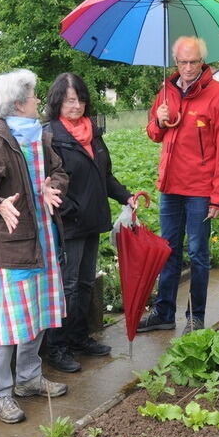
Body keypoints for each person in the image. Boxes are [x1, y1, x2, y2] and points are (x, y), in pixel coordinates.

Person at [0, 69, 69, 424]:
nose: (38, 101)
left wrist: (50, 185)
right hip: (10, 249)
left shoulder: (40, 136)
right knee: (9, 324)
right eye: (33, 96)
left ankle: (28, 379)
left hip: (41, 240)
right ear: (17, 104)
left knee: (38, 315)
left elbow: (59, 171)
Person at [137, 36, 219, 336]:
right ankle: (163, 313)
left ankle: (196, 315)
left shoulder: (218, 95)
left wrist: (218, 197)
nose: (188, 67)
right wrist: (158, 119)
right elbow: (154, 134)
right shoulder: (166, 92)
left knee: (197, 253)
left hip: (200, 190)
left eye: (194, 62)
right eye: (183, 62)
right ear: (175, 62)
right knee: (167, 251)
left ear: (202, 61)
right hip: (170, 187)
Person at [43, 73, 136, 373]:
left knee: (84, 284)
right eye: (70, 100)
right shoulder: (50, 136)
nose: (76, 105)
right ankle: (57, 347)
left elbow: (104, 175)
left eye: (80, 99)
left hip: (93, 221)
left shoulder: (92, 133)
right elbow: (48, 183)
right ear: (58, 101)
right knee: (66, 286)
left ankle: (79, 338)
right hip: (68, 224)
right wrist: (72, 210)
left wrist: (125, 197)